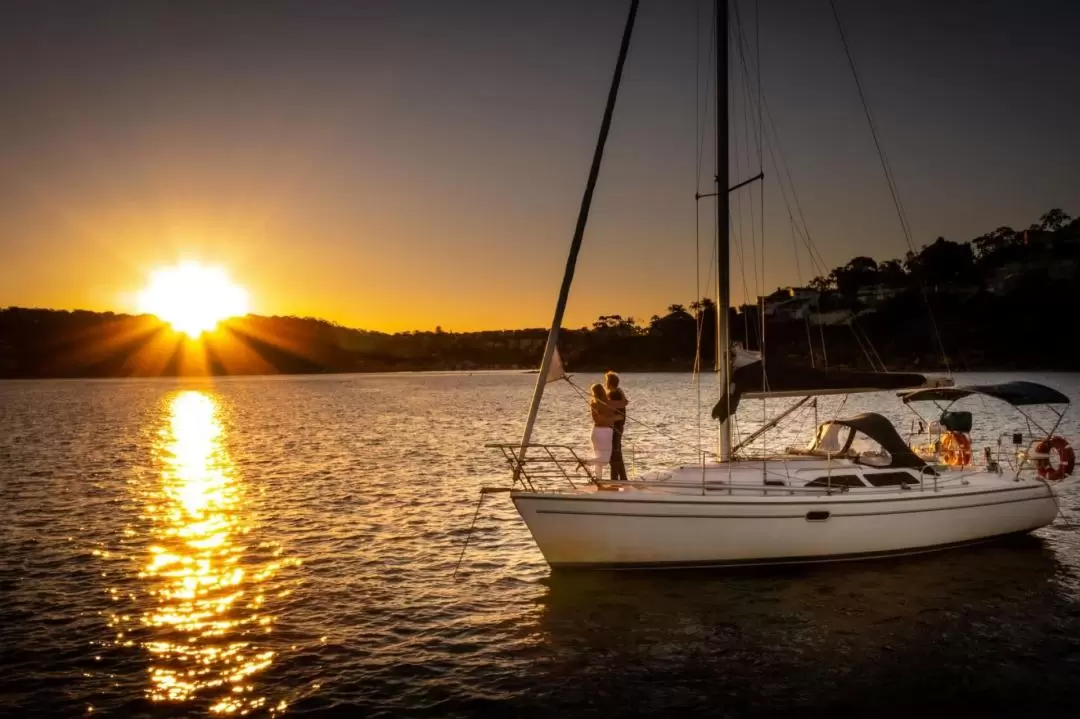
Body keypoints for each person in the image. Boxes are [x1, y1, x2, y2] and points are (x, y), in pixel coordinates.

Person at [604, 371, 629, 481]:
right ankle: (622, 478)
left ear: (609, 383)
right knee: (617, 451)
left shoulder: (613, 395)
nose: (605, 383)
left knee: (614, 452)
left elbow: (611, 408)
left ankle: (615, 478)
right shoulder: (619, 392)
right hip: (619, 426)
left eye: (606, 381)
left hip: (615, 427)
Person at [588, 383, 615, 479]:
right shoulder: (608, 403)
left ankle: (598, 479)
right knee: (604, 460)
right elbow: (624, 403)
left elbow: (597, 420)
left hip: (596, 432)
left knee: (598, 459)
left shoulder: (593, 404)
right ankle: (586, 462)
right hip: (605, 433)